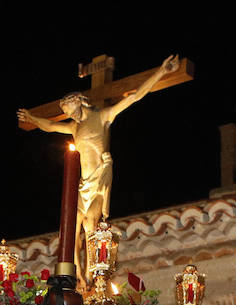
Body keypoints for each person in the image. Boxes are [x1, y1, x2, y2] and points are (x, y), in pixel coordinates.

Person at [17, 55, 180, 274]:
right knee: (70, 230)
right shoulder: (75, 127)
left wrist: (161, 72)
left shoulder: (103, 115)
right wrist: (33, 118)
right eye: (66, 113)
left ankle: (93, 275)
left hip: (98, 185)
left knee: (91, 227)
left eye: (68, 110)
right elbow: (50, 126)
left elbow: (135, 96)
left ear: (78, 101)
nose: (67, 115)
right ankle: (73, 275)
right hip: (83, 186)